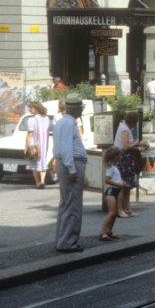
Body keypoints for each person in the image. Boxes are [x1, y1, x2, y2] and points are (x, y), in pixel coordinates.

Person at [54, 93, 88, 253]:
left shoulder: (62, 122)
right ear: (76, 109)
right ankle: (68, 242)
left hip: (65, 163)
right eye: (80, 108)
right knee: (73, 205)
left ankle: (62, 239)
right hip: (72, 163)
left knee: (66, 203)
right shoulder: (69, 124)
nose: (81, 111)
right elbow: (66, 147)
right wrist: (72, 169)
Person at [114, 112, 146, 218]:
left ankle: (127, 209)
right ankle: (120, 209)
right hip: (123, 160)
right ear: (134, 122)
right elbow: (125, 146)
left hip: (126, 159)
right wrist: (138, 143)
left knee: (127, 185)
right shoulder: (124, 129)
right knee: (122, 186)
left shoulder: (124, 127)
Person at [99, 147, 125, 241]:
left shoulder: (115, 167)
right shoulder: (110, 169)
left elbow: (116, 178)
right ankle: (103, 232)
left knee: (114, 213)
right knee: (112, 213)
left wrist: (121, 182)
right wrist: (118, 184)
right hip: (111, 191)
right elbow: (107, 180)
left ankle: (109, 231)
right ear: (115, 157)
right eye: (119, 155)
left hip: (116, 190)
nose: (121, 157)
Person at [25, 102, 52, 189]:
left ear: (36, 108)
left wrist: (26, 146)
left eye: (31, 108)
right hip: (44, 143)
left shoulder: (31, 120)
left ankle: (37, 182)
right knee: (43, 161)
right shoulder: (47, 118)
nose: (29, 109)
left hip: (34, 144)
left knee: (34, 162)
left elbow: (30, 134)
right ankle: (43, 181)